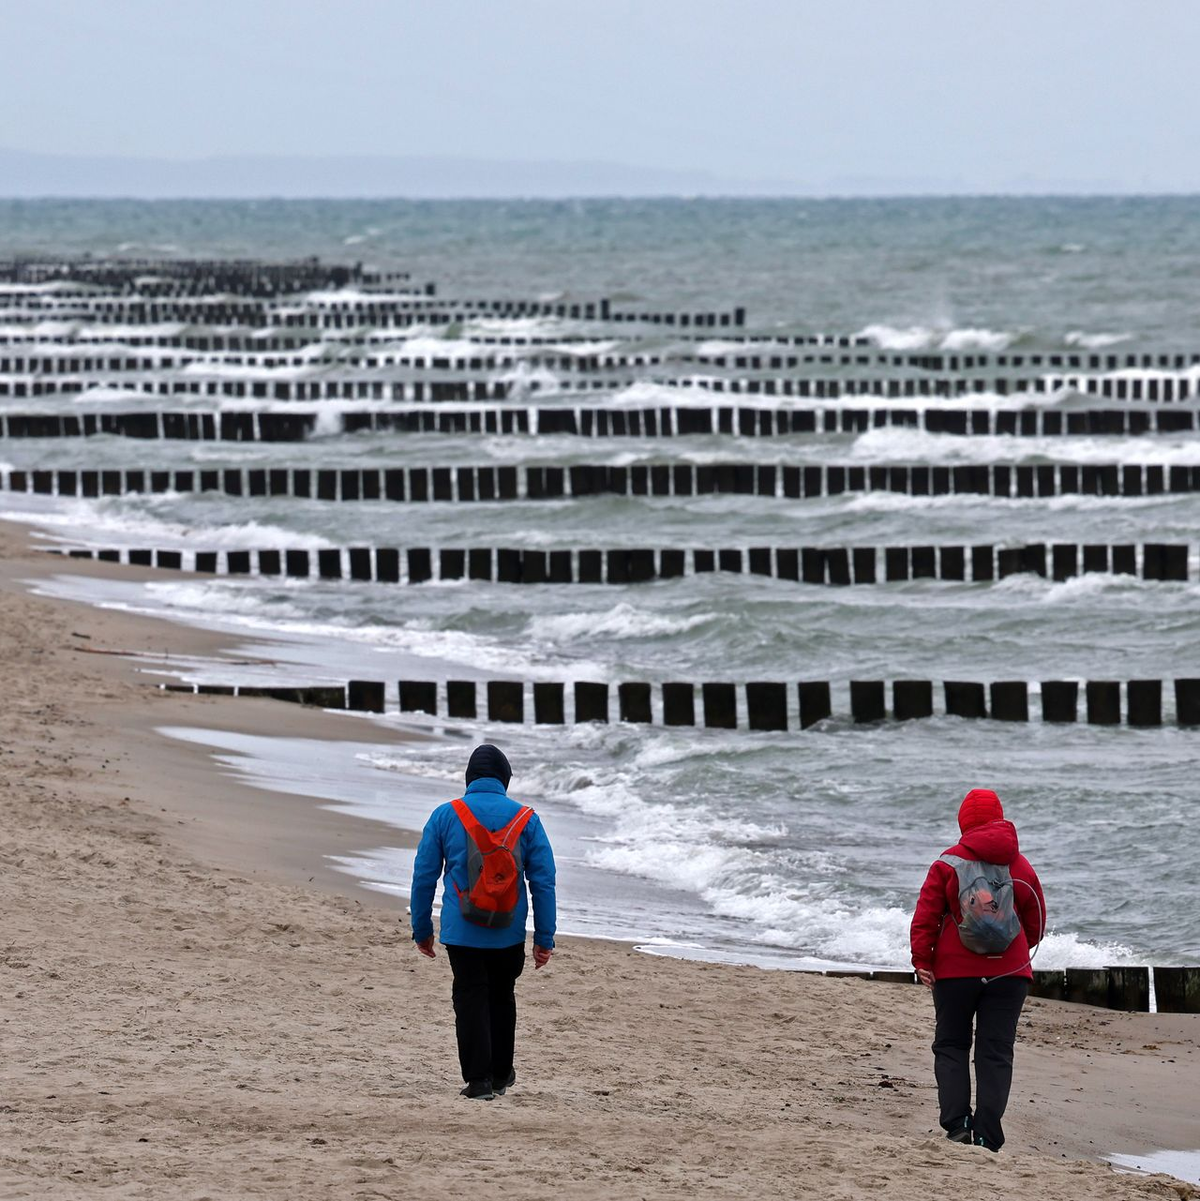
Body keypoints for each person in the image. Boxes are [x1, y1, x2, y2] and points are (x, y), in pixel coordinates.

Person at [410, 744, 557, 1100]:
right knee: (502, 996)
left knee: (470, 995)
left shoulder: (445, 815)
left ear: (469, 778)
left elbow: (424, 876)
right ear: (505, 779)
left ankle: (478, 1081)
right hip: (508, 930)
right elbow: (544, 880)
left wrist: (422, 929)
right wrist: (545, 937)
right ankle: (501, 1074)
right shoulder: (527, 818)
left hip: (462, 930)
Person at [910, 787, 1046, 1152]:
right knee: (996, 1051)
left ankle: (957, 1124)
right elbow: (1035, 920)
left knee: (952, 1044)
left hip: (954, 974)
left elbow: (926, 915)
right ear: (1000, 817)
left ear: (964, 821)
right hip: (1010, 975)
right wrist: (1013, 952)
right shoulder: (1020, 865)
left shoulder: (947, 863)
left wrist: (922, 960)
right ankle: (988, 1134)